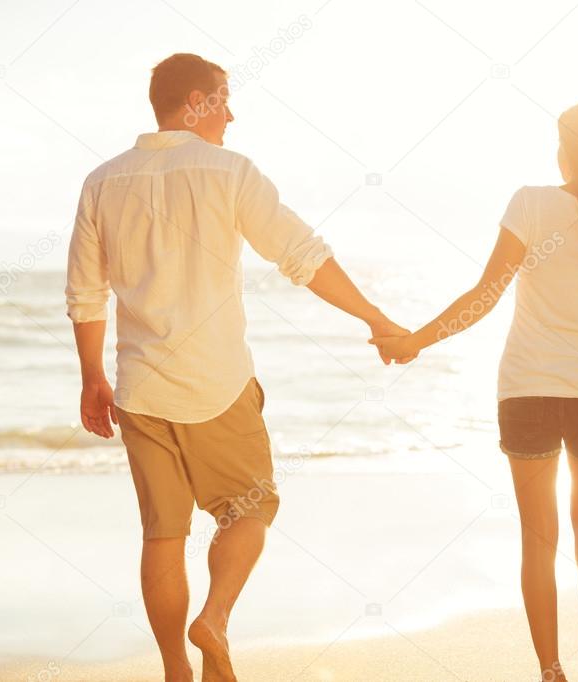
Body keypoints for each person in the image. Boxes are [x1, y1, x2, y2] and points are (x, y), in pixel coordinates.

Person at [65, 53, 410, 682]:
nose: (231, 112)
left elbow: (87, 294)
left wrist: (92, 376)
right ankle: (215, 618)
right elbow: (301, 256)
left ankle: (175, 667)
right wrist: (376, 320)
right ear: (194, 101)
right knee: (251, 509)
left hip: (141, 390)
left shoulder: (102, 181)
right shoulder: (229, 171)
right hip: (219, 382)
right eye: (222, 98)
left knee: (163, 537)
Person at [371, 99, 578, 682]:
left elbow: (485, 295)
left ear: (571, 148)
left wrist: (416, 341)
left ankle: (551, 669)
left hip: (528, 391)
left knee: (539, 536)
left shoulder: (532, 203)